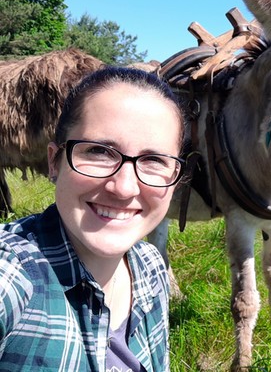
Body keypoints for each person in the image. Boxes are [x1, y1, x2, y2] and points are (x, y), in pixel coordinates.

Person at [0, 67, 191, 371]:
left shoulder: (152, 265)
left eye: (154, 160)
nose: (124, 188)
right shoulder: (12, 278)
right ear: (54, 162)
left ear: (175, 178)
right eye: (99, 152)